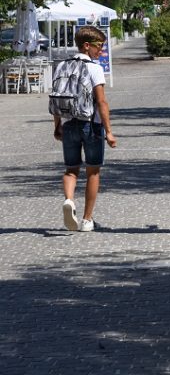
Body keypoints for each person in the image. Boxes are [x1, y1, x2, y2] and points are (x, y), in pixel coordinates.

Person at [54, 26, 118, 232]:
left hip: (69, 124)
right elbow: (101, 101)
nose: (102, 51)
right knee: (93, 171)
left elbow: (57, 99)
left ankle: (69, 200)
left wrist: (57, 125)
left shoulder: (61, 66)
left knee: (71, 170)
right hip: (91, 124)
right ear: (87, 46)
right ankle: (87, 220)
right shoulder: (95, 68)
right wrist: (108, 131)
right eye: (99, 47)